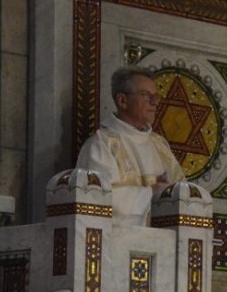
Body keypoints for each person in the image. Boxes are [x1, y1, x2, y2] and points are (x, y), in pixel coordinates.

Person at [76, 67, 185, 225]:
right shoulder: (102, 144)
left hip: (163, 242)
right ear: (122, 101)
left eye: (155, 96)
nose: (154, 102)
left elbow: (182, 195)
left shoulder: (160, 145)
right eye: (145, 96)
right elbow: (97, 199)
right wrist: (151, 194)